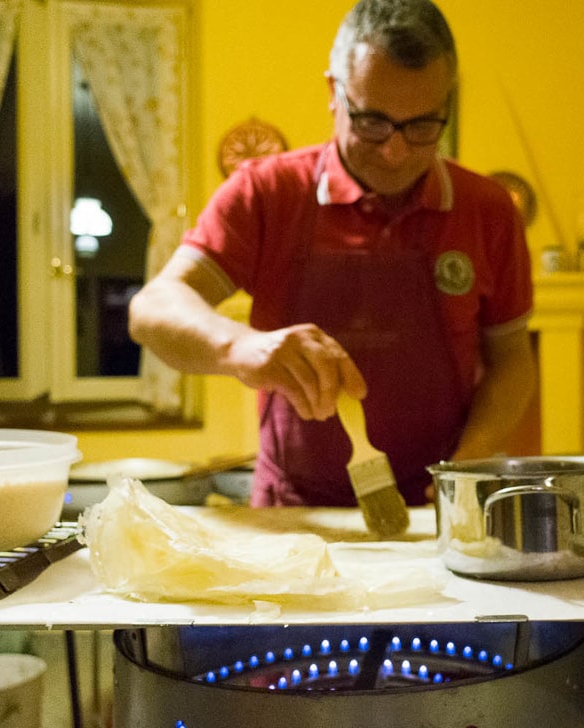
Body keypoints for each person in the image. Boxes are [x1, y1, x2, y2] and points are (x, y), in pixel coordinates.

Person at [128, 0, 537, 507]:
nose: (395, 151)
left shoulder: (487, 209)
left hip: (437, 508)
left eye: (422, 126)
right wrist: (239, 347)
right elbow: (152, 310)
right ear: (333, 93)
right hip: (293, 510)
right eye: (372, 122)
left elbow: (513, 359)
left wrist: (468, 464)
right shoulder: (267, 192)